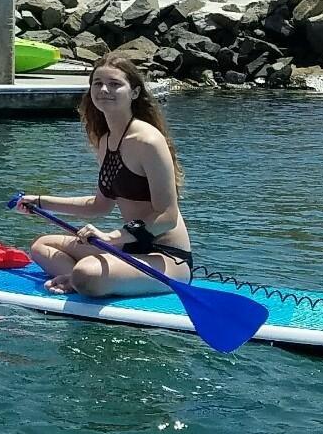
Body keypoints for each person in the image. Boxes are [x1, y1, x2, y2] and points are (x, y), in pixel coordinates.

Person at [12, 55, 192, 298]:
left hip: (165, 257)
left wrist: (111, 237)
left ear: (135, 93)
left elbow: (167, 216)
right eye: (97, 83)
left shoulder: (148, 141)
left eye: (115, 84)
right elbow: (99, 205)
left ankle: (82, 278)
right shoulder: (106, 141)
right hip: (128, 248)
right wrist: (40, 202)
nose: (104, 89)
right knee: (41, 246)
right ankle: (75, 279)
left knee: (87, 272)